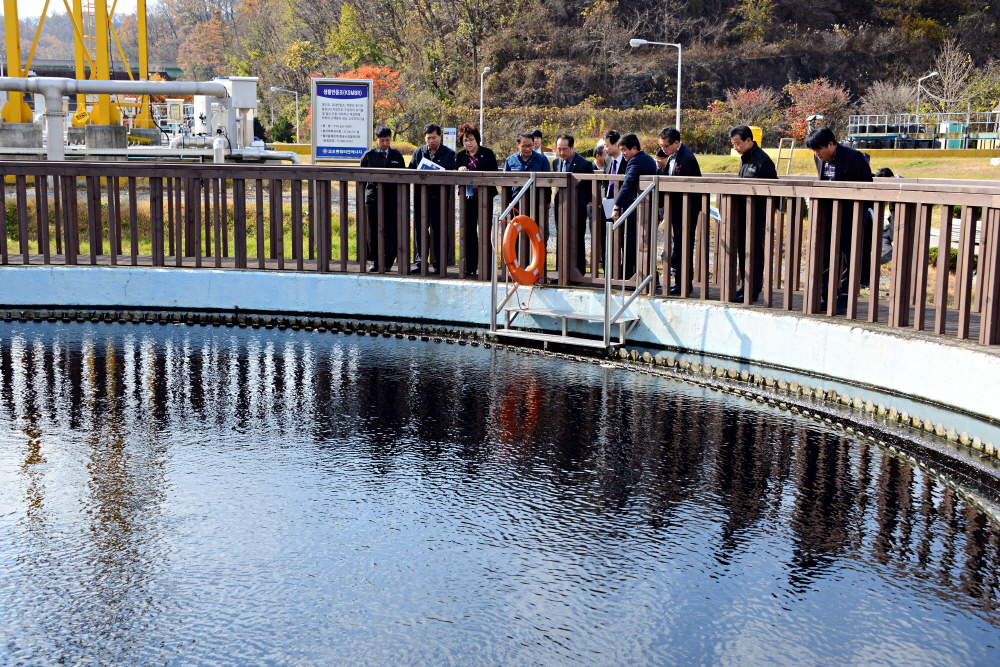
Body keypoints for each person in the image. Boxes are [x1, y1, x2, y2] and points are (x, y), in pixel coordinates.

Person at [805, 127, 873, 313]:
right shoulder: (819, 158)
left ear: (831, 144)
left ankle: (844, 298)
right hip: (827, 216)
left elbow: (867, 187)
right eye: (814, 151)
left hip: (850, 216)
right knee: (825, 256)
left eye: (819, 150)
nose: (817, 154)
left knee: (850, 258)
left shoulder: (854, 157)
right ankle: (825, 296)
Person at [729, 125, 778, 302]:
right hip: (743, 215)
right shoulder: (745, 158)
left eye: (738, 143)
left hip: (757, 216)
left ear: (749, 140)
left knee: (755, 253)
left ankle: (753, 290)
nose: (736, 147)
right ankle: (744, 285)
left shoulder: (763, 161)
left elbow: (773, 189)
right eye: (733, 144)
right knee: (742, 250)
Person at [658, 126, 702, 294]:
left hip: (686, 210)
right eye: (661, 145)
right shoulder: (673, 155)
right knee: (678, 247)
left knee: (683, 247)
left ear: (676, 143)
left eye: (666, 146)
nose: (663, 149)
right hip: (675, 208)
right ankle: (680, 283)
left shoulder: (686, 158)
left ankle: (684, 285)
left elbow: (693, 186)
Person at [408, 123, 457, 274]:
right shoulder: (418, 152)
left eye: (434, 137)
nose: (431, 141)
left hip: (440, 199)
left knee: (439, 230)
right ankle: (420, 261)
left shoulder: (448, 153)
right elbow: (410, 172)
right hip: (421, 198)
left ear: (440, 137)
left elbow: (451, 175)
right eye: (428, 138)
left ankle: (439, 262)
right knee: (420, 230)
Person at [359, 126, 406, 272]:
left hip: (391, 200)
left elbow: (403, 176)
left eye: (387, 140)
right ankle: (374, 260)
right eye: (381, 140)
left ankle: (388, 261)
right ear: (376, 139)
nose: (385, 143)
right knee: (373, 231)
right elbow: (361, 178)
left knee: (391, 230)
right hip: (373, 199)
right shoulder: (368, 155)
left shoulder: (397, 156)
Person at [455, 123, 499, 276]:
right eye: (465, 140)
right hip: (467, 198)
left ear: (477, 139)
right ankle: (470, 265)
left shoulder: (487, 153)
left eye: (471, 139)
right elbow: (455, 175)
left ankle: (486, 265)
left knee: (485, 231)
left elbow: (494, 173)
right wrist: (460, 170)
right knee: (468, 232)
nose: (468, 143)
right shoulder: (460, 156)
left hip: (485, 198)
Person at [611, 133, 657, 280]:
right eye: (621, 150)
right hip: (645, 209)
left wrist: (617, 205)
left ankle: (631, 277)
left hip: (636, 211)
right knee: (642, 245)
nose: (622, 153)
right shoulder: (647, 158)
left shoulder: (636, 161)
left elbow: (628, 183)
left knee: (632, 246)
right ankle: (646, 277)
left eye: (625, 150)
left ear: (635, 148)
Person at [553, 133, 597, 274]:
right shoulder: (556, 162)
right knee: (561, 237)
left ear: (572, 147)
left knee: (577, 239)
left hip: (577, 208)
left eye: (565, 149)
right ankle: (561, 271)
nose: (561, 152)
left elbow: (590, 189)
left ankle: (578, 272)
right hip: (560, 206)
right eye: (559, 149)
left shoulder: (584, 164)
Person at [874, 167, 896, 264]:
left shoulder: (903, 184)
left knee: (883, 235)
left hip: (903, 223)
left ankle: (889, 253)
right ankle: (888, 253)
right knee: (881, 235)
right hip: (894, 221)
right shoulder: (896, 182)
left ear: (892, 177)